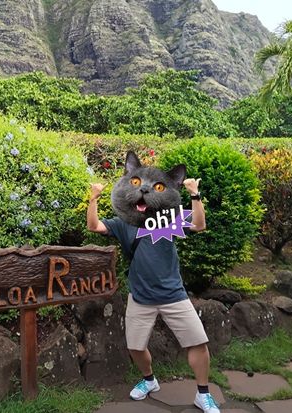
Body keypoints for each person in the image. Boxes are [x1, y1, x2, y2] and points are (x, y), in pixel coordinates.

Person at [86, 151, 220, 413]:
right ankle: (149, 380)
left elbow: (199, 225)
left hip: (174, 295)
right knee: (135, 348)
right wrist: (93, 198)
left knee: (198, 344)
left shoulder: (168, 218)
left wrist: (194, 195)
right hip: (140, 297)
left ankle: (203, 395)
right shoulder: (124, 223)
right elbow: (94, 226)